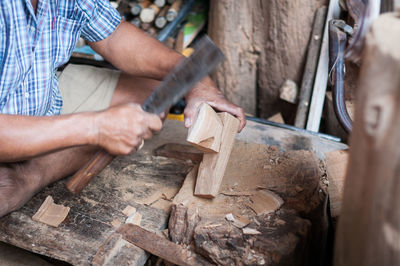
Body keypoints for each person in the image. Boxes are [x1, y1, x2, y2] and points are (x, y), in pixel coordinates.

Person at [0, 0, 246, 217]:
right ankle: (19, 177)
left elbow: (114, 37)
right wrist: (96, 127)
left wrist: (192, 77)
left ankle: (32, 173)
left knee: (152, 95)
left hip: (38, 99)